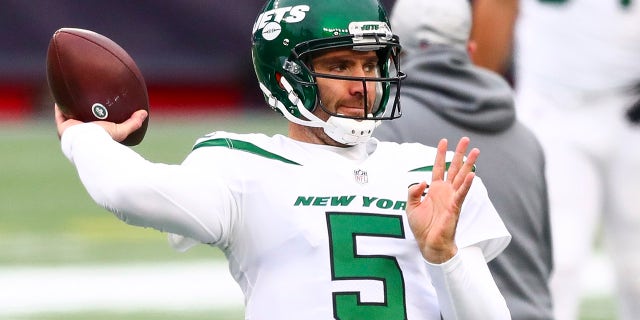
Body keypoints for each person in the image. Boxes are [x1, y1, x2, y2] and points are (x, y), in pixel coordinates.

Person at [54, 0, 513, 318]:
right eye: (340, 67)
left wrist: (445, 257)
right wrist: (84, 137)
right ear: (284, 76)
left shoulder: (428, 170)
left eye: (372, 66)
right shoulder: (242, 166)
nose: (362, 84)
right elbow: (128, 192)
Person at [373, 0, 553, 319]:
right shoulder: (527, 139)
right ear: (470, 50)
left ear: (392, 55)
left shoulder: (382, 128)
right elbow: (543, 267)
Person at [472, 0, 640, 319]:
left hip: (631, 105)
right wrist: (477, 95)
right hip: (550, 106)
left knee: (637, 268)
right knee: (557, 261)